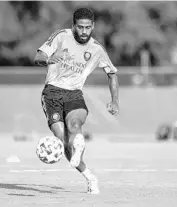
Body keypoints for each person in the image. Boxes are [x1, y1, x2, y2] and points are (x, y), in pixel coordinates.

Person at [34, 8, 119, 195]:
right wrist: (49, 59)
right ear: (73, 26)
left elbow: (112, 73)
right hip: (52, 93)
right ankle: (90, 176)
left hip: (74, 93)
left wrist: (114, 101)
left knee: (75, 124)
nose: (84, 32)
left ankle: (78, 141)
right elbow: (38, 56)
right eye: (80, 27)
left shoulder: (97, 49)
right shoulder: (61, 36)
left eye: (88, 27)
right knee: (63, 141)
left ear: (93, 26)